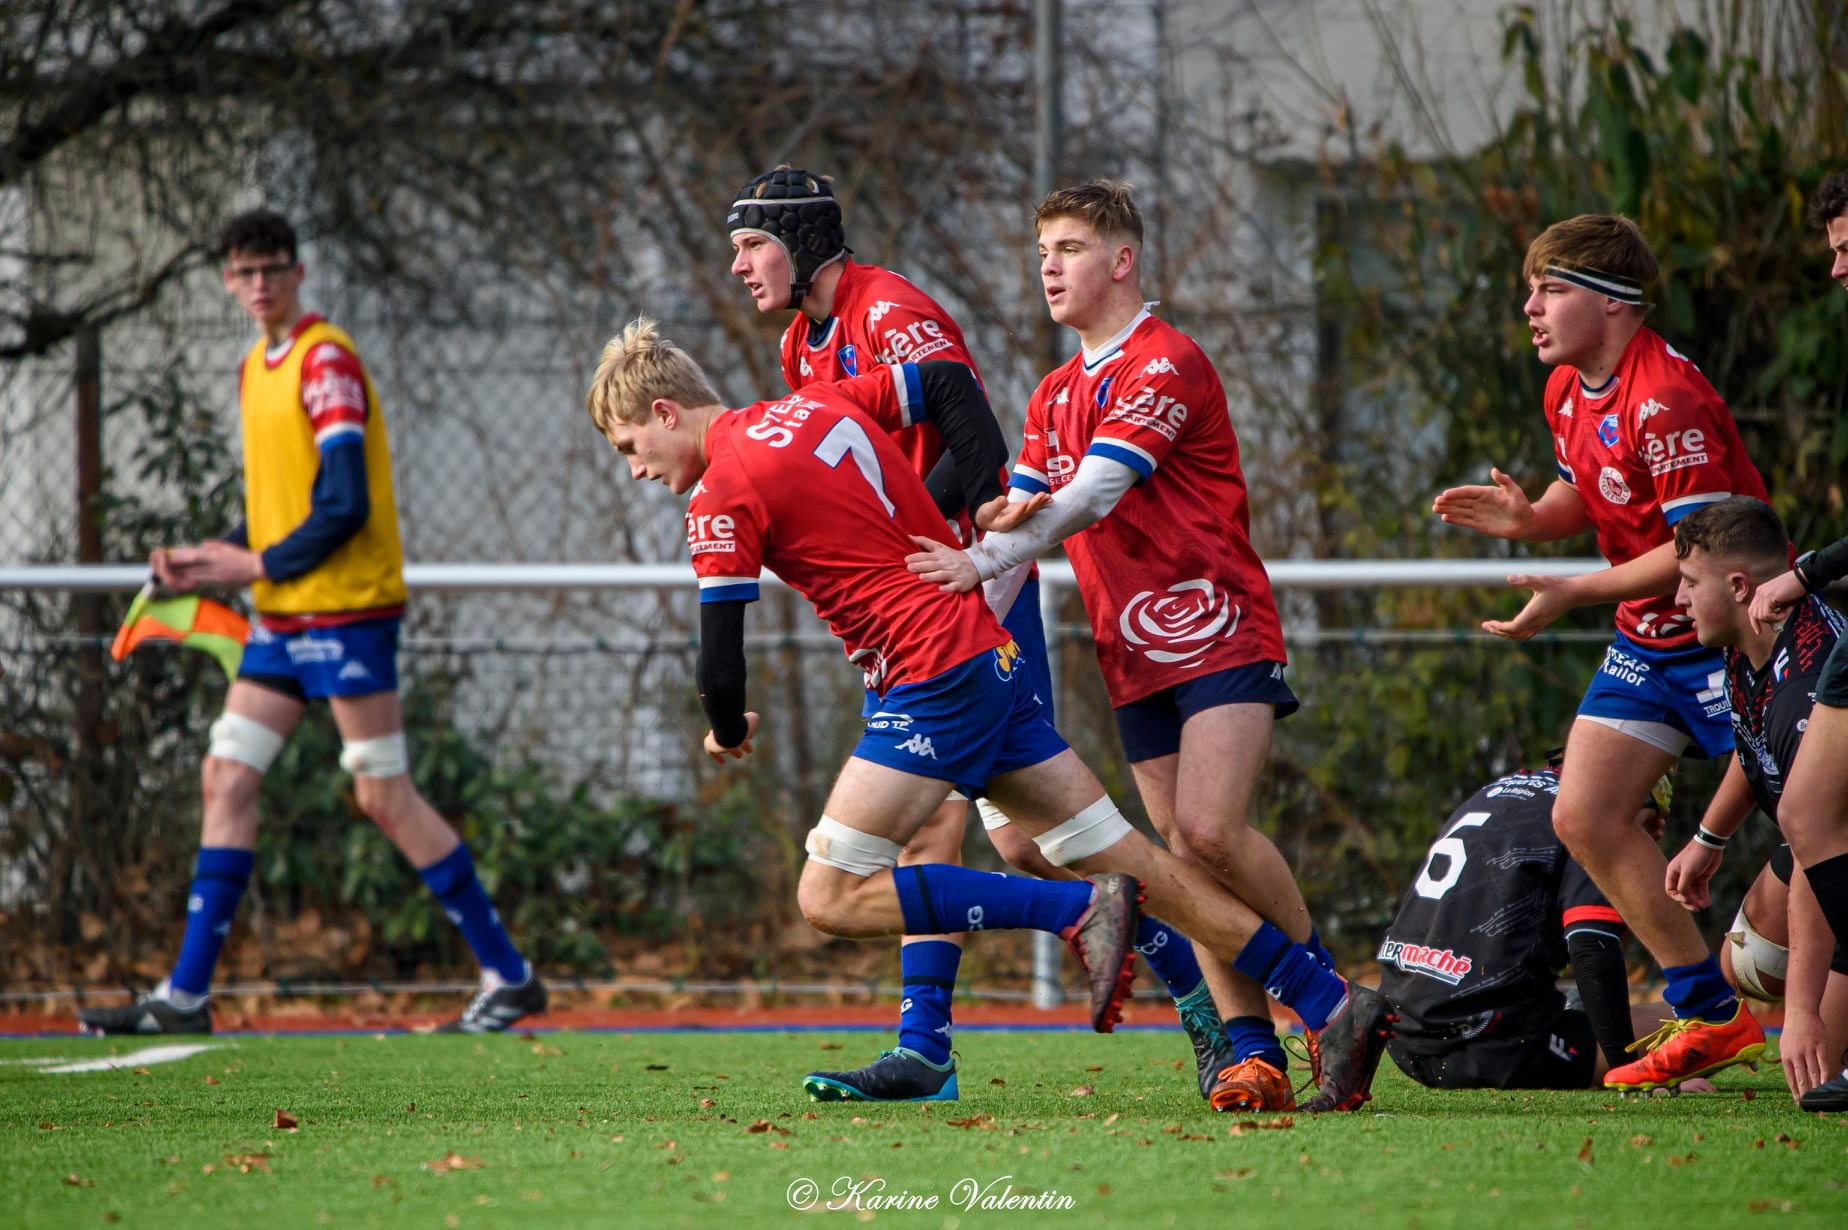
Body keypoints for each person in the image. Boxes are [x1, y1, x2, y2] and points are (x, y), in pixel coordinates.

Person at [583, 316, 1390, 1113]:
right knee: (1135, 863)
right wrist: (974, 500)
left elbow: (720, 661)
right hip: (984, 649)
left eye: (628, 448)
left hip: (931, 676)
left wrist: (727, 730)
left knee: (827, 897)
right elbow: (945, 382)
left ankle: (1076, 913)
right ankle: (1326, 1000)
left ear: (664, 412)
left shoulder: (721, 490)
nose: (634, 471)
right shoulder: (820, 403)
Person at [729, 168, 1238, 1105]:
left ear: (802, 245)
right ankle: (930, 1049)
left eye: (754, 244)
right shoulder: (806, 343)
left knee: (1021, 838)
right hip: (914, 606)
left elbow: (976, 440)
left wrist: (925, 548)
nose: (740, 265)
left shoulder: (890, 311)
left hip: (968, 591)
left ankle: (1231, 1012)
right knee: (1015, 843)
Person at [904, 179, 1333, 1113]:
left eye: (1068, 248)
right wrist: (952, 626)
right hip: (1131, 653)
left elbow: (1094, 492)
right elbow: (1012, 532)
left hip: (1217, 626)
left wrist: (983, 558)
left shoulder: (1164, 362)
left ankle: (1329, 1001)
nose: (1049, 267)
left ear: (1121, 260)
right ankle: (1254, 1052)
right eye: (1044, 250)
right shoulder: (1053, 393)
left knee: (1210, 833)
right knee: (1178, 859)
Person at [78, 210, 544, 1037]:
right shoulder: (253, 366)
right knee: (226, 778)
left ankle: (509, 976)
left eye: (272, 268)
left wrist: (249, 566)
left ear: (298, 272)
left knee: (381, 794)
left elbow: (342, 505)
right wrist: (207, 555)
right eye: (243, 271)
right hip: (283, 618)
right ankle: (185, 997)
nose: (259, 284)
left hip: (348, 612)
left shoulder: (324, 360)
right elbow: (279, 512)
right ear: (227, 281)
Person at [1430, 215, 1772, 1090]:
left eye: (1551, 290)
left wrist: (1576, 588)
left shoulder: (1666, 397)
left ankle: (1804, 1009)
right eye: (1532, 289)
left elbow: (1702, 554)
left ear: (1615, 306)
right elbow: (1588, 491)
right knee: (1581, 814)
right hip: (1649, 642)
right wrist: (1533, 520)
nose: (1529, 308)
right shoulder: (1568, 390)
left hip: (1730, 637)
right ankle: (1709, 1015)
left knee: (1809, 826)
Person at [1711, 170, 1848, 1112]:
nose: (1837, 268)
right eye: (1831, 250)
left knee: (1811, 820)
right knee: (1803, 823)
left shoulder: (1797, 633)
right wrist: (1712, 833)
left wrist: (1811, 570)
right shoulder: (1738, 657)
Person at [1663, 495, 1848, 1108]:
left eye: (1689, 583)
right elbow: (1753, 747)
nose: (1678, 600)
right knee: (1749, 964)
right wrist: (1706, 840)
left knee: (1815, 1068)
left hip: (1834, 850)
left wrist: (1800, 1014)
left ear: (1740, 586)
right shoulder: (1746, 640)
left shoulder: (1807, 680)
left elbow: (1820, 840)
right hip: (1820, 846)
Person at [1382, 756, 1678, 1089]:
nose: (1660, 824)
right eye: (1660, 804)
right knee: (1700, 1026)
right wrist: (1637, 1072)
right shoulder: (1593, 818)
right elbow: (1591, 948)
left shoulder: (1496, 792)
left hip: (1401, 1035)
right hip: (1492, 1047)